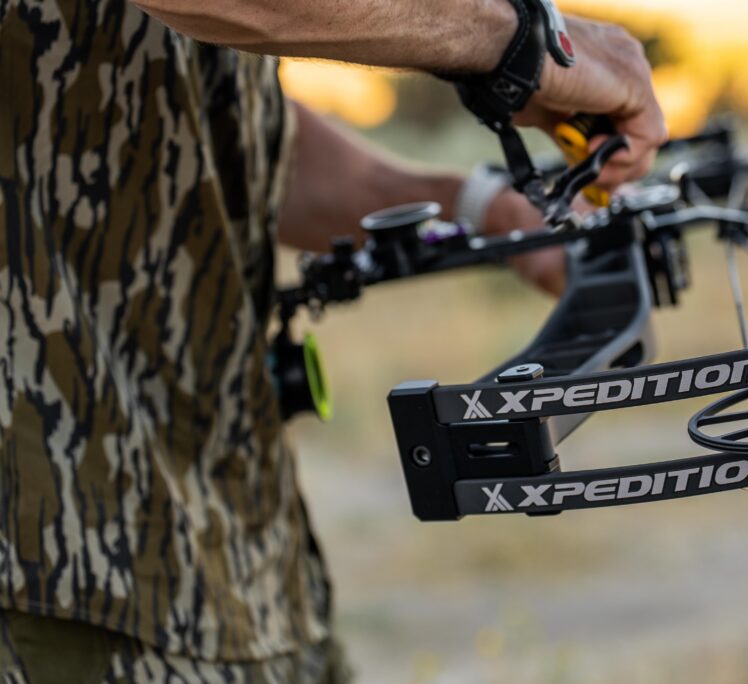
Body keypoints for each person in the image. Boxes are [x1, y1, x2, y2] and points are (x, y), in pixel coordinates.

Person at [0, 0, 666, 680]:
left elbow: (222, 133)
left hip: (242, 562)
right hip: (55, 579)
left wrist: (483, 207)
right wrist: (523, 39)